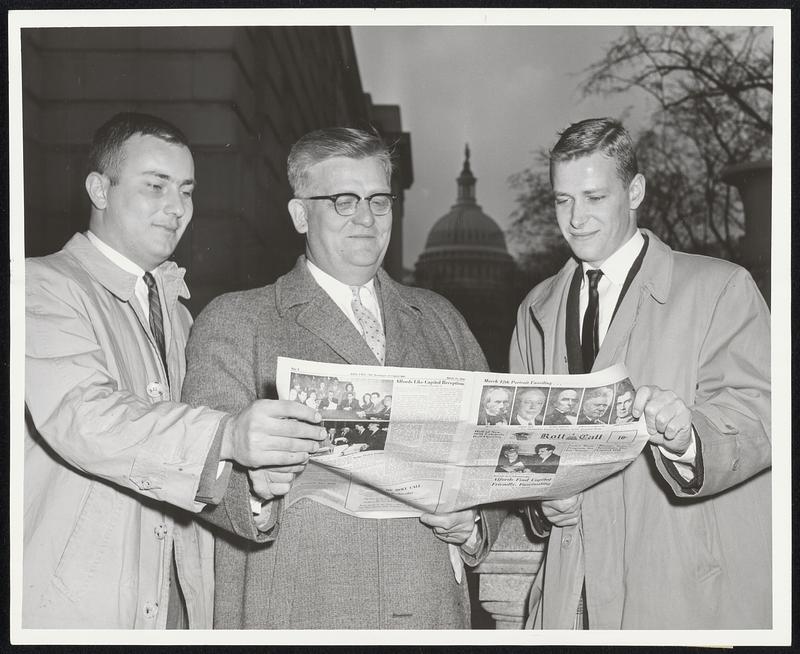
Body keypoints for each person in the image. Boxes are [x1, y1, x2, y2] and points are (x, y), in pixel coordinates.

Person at [182, 127, 503, 629]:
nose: (366, 219)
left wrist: (475, 522)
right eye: (343, 201)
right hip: (300, 613)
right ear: (299, 214)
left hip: (431, 613)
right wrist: (257, 488)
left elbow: (494, 459)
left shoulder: (442, 320)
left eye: (379, 201)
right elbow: (199, 474)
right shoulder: (237, 321)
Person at [23, 112, 324, 628]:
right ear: (99, 188)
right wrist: (229, 435)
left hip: (172, 607)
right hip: (77, 608)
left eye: (186, 190)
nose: (177, 208)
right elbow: (85, 417)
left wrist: (254, 482)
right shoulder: (38, 285)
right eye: (155, 186)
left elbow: (192, 462)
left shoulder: (179, 314)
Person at [510, 117, 771, 629]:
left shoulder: (721, 287)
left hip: (679, 590)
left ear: (635, 191)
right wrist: (542, 503)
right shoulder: (533, 311)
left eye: (593, 197)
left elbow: (762, 412)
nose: (576, 219)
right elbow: (523, 447)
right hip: (571, 593)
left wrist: (688, 437)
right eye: (563, 200)